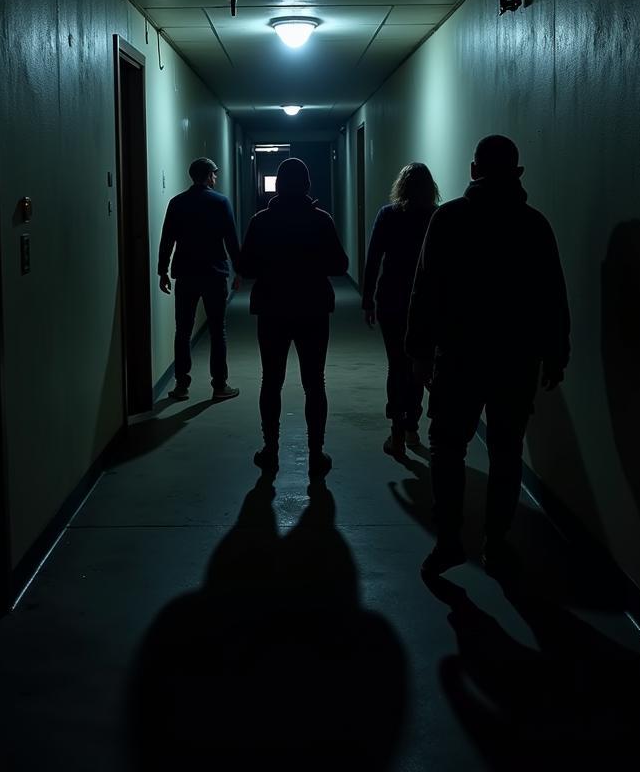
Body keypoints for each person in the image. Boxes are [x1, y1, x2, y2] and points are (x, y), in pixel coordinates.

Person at [406, 135, 570, 576]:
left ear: (473, 170)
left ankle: (447, 540)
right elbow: (552, 295)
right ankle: (495, 543)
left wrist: (418, 352)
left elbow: (425, 291)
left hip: (459, 353)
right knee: (505, 449)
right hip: (516, 357)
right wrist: (556, 352)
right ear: (517, 174)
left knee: (447, 446)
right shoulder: (534, 224)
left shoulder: (449, 218)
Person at [238, 157, 349, 478]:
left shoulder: (261, 221)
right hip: (313, 307)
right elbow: (340, 265)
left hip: (272, 306)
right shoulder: (321, 220)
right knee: (314, 381)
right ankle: (316, 453)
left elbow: (245, 267)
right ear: (307, 185)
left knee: (271, 379)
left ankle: (270, 449)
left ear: (278, 186)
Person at [362, 162, 440, 458]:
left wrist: (368, 298)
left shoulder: (389, 215)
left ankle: (396, 431)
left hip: (391, 300)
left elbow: (373, 258)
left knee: (397, 364)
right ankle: (412, 427)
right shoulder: (436, 216)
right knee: (419, 363)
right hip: (426, 303)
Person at [157, 157, 242, 401]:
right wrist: (239, 270)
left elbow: (167, 240)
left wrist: (163, 270)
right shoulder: (220, 202)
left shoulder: (177, 203)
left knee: (182, 330)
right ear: (208, 176)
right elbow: (231, 240)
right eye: (214, 174)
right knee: (218, 330)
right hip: (214, 273)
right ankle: (219, 385)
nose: (216, 178)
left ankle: (181, 385)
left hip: (185, 273)